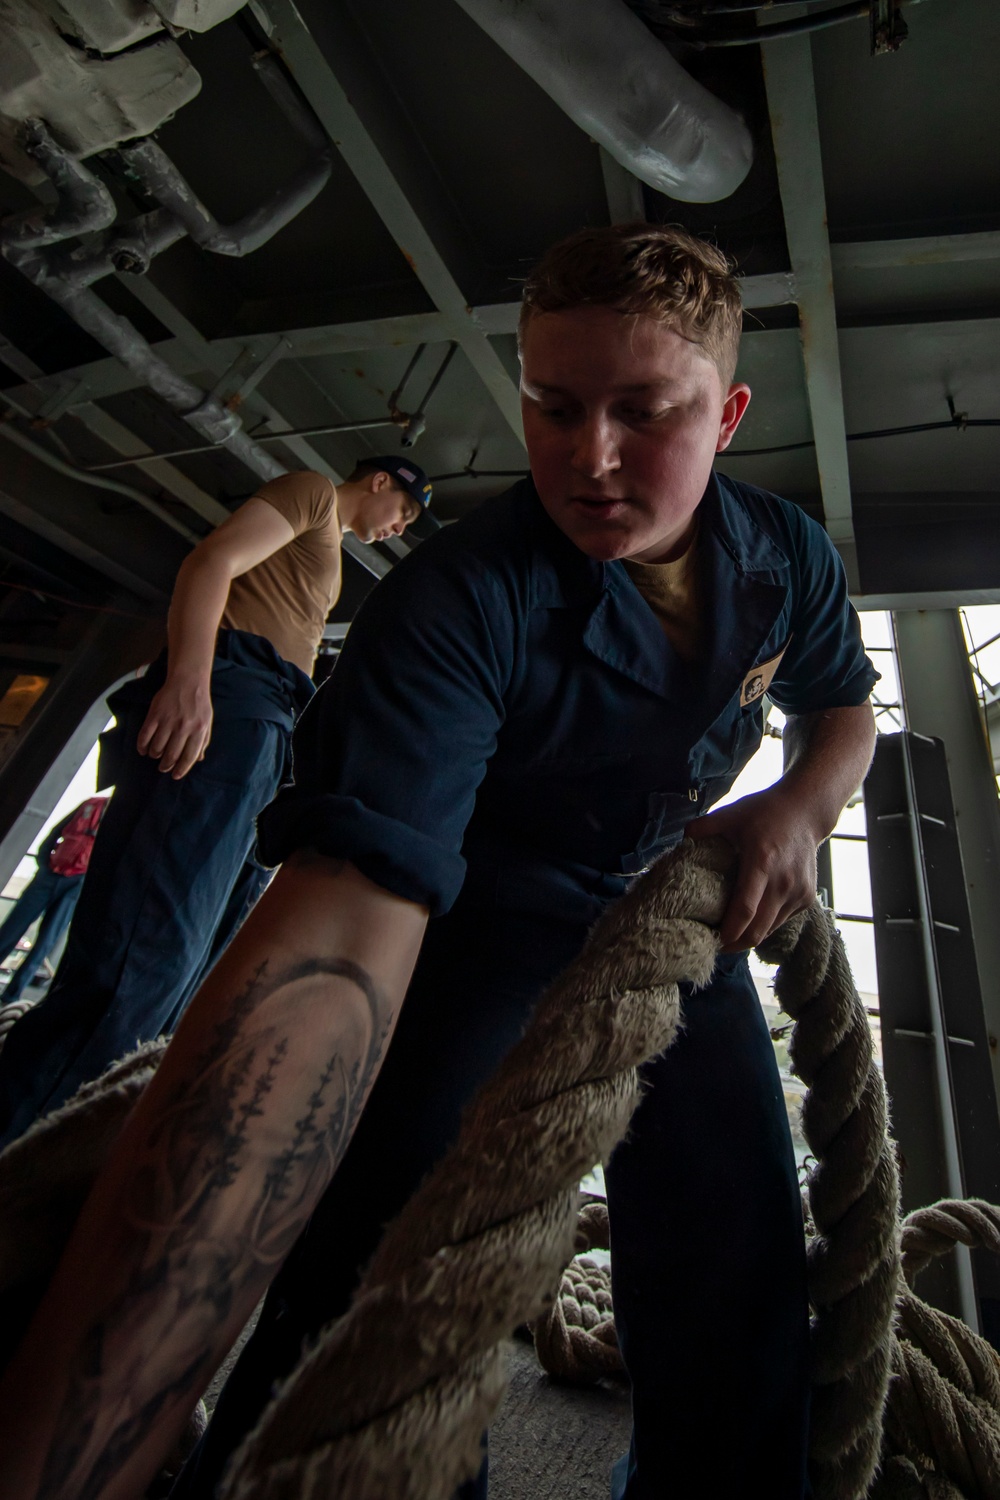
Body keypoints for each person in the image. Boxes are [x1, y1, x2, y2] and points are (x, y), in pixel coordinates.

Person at [0, 225, 877, 1500]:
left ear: (729, 412)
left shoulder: (782, 555)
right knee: (383, 1228)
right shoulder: (460, 601)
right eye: (555, 405)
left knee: (735, 1229)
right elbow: (338, 935)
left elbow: (843, 709)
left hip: (660, 903)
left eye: (647, 411)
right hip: (476, 908)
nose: (593, 455)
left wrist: (798, 806)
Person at [0, 456, 429, 1148]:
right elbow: (210, 563)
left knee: (193, 968)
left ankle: (79, 1155)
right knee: (144, 959)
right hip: (229, 706)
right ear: (380, 481)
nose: (398, 526)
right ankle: (23, 1146)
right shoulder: (313, 494)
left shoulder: (330, 557)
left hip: (266, 729)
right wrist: (188, 681)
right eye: (403, 511)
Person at [0, 795, 108, 1006]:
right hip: (50, 875)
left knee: (46, 941)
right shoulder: (90, 804)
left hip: (76, 884)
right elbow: (56, 831)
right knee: (12, 927)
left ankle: (11, 995)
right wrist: (43, 862)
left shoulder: (121, 819)